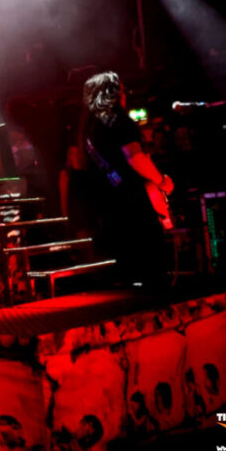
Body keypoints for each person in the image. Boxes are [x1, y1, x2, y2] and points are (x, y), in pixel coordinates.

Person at [77, 71, 174, 289]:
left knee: (124, 277)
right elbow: (135, 157)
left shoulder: (90, 127)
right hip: (132, 204)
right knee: (152, 271)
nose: (124, 94)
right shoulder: (119, 121)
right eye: (120, 90)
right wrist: (162, 181)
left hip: (106, 207)